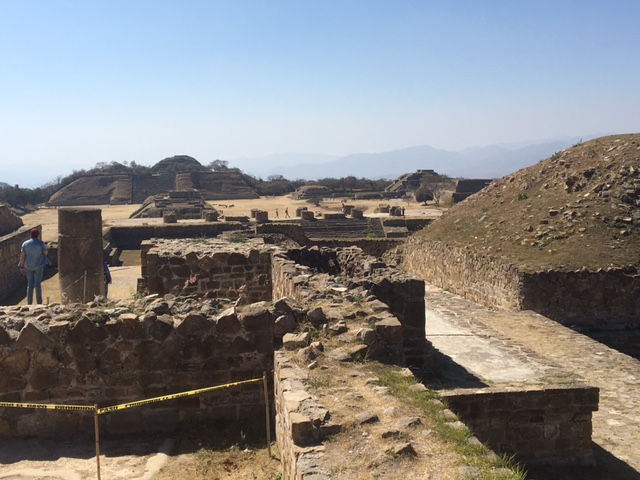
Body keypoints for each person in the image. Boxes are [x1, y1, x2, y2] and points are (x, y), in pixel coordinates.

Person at [19, 228, 49, 305]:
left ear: (30, 235)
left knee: (30, 285)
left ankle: (29, 303)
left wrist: (22, 267)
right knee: (37, 284)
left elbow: (22, 256)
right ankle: (39, 303)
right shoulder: (41, 243)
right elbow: (45, 253)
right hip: (39, 266)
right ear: (38, 235)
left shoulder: (25, 244)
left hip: (28, 266)